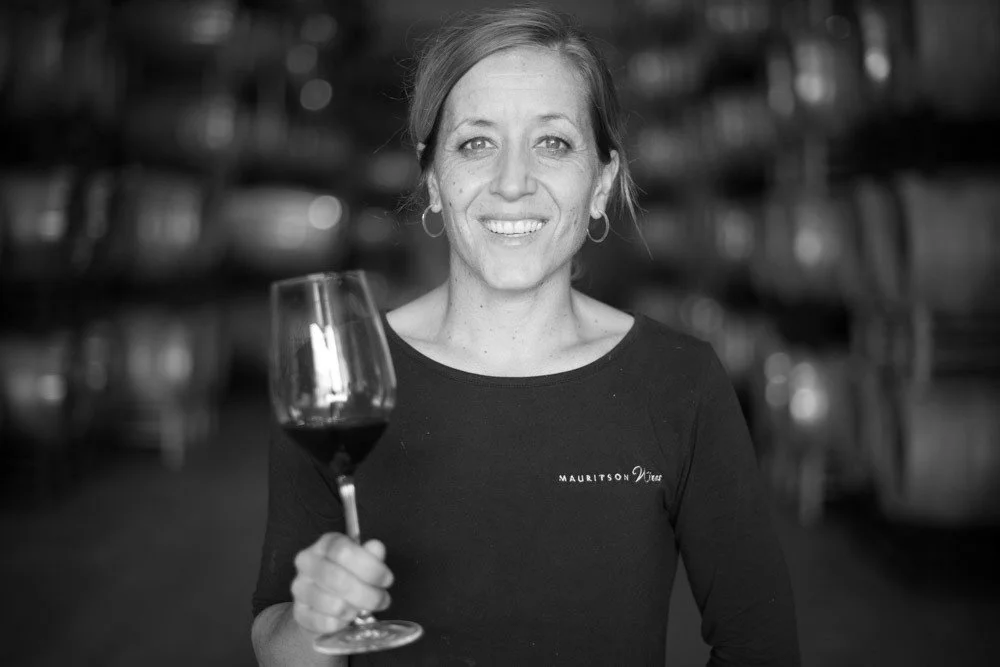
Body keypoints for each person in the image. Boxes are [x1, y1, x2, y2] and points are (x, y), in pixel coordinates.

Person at [251, 7, 800, 666]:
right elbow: (276, 646)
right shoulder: (335, 376)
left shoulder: (681, 382)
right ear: (431, 179)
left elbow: (760, 644)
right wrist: (313, 621)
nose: (513, 183)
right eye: (477, 142)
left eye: (554, 142)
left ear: (600, 183)